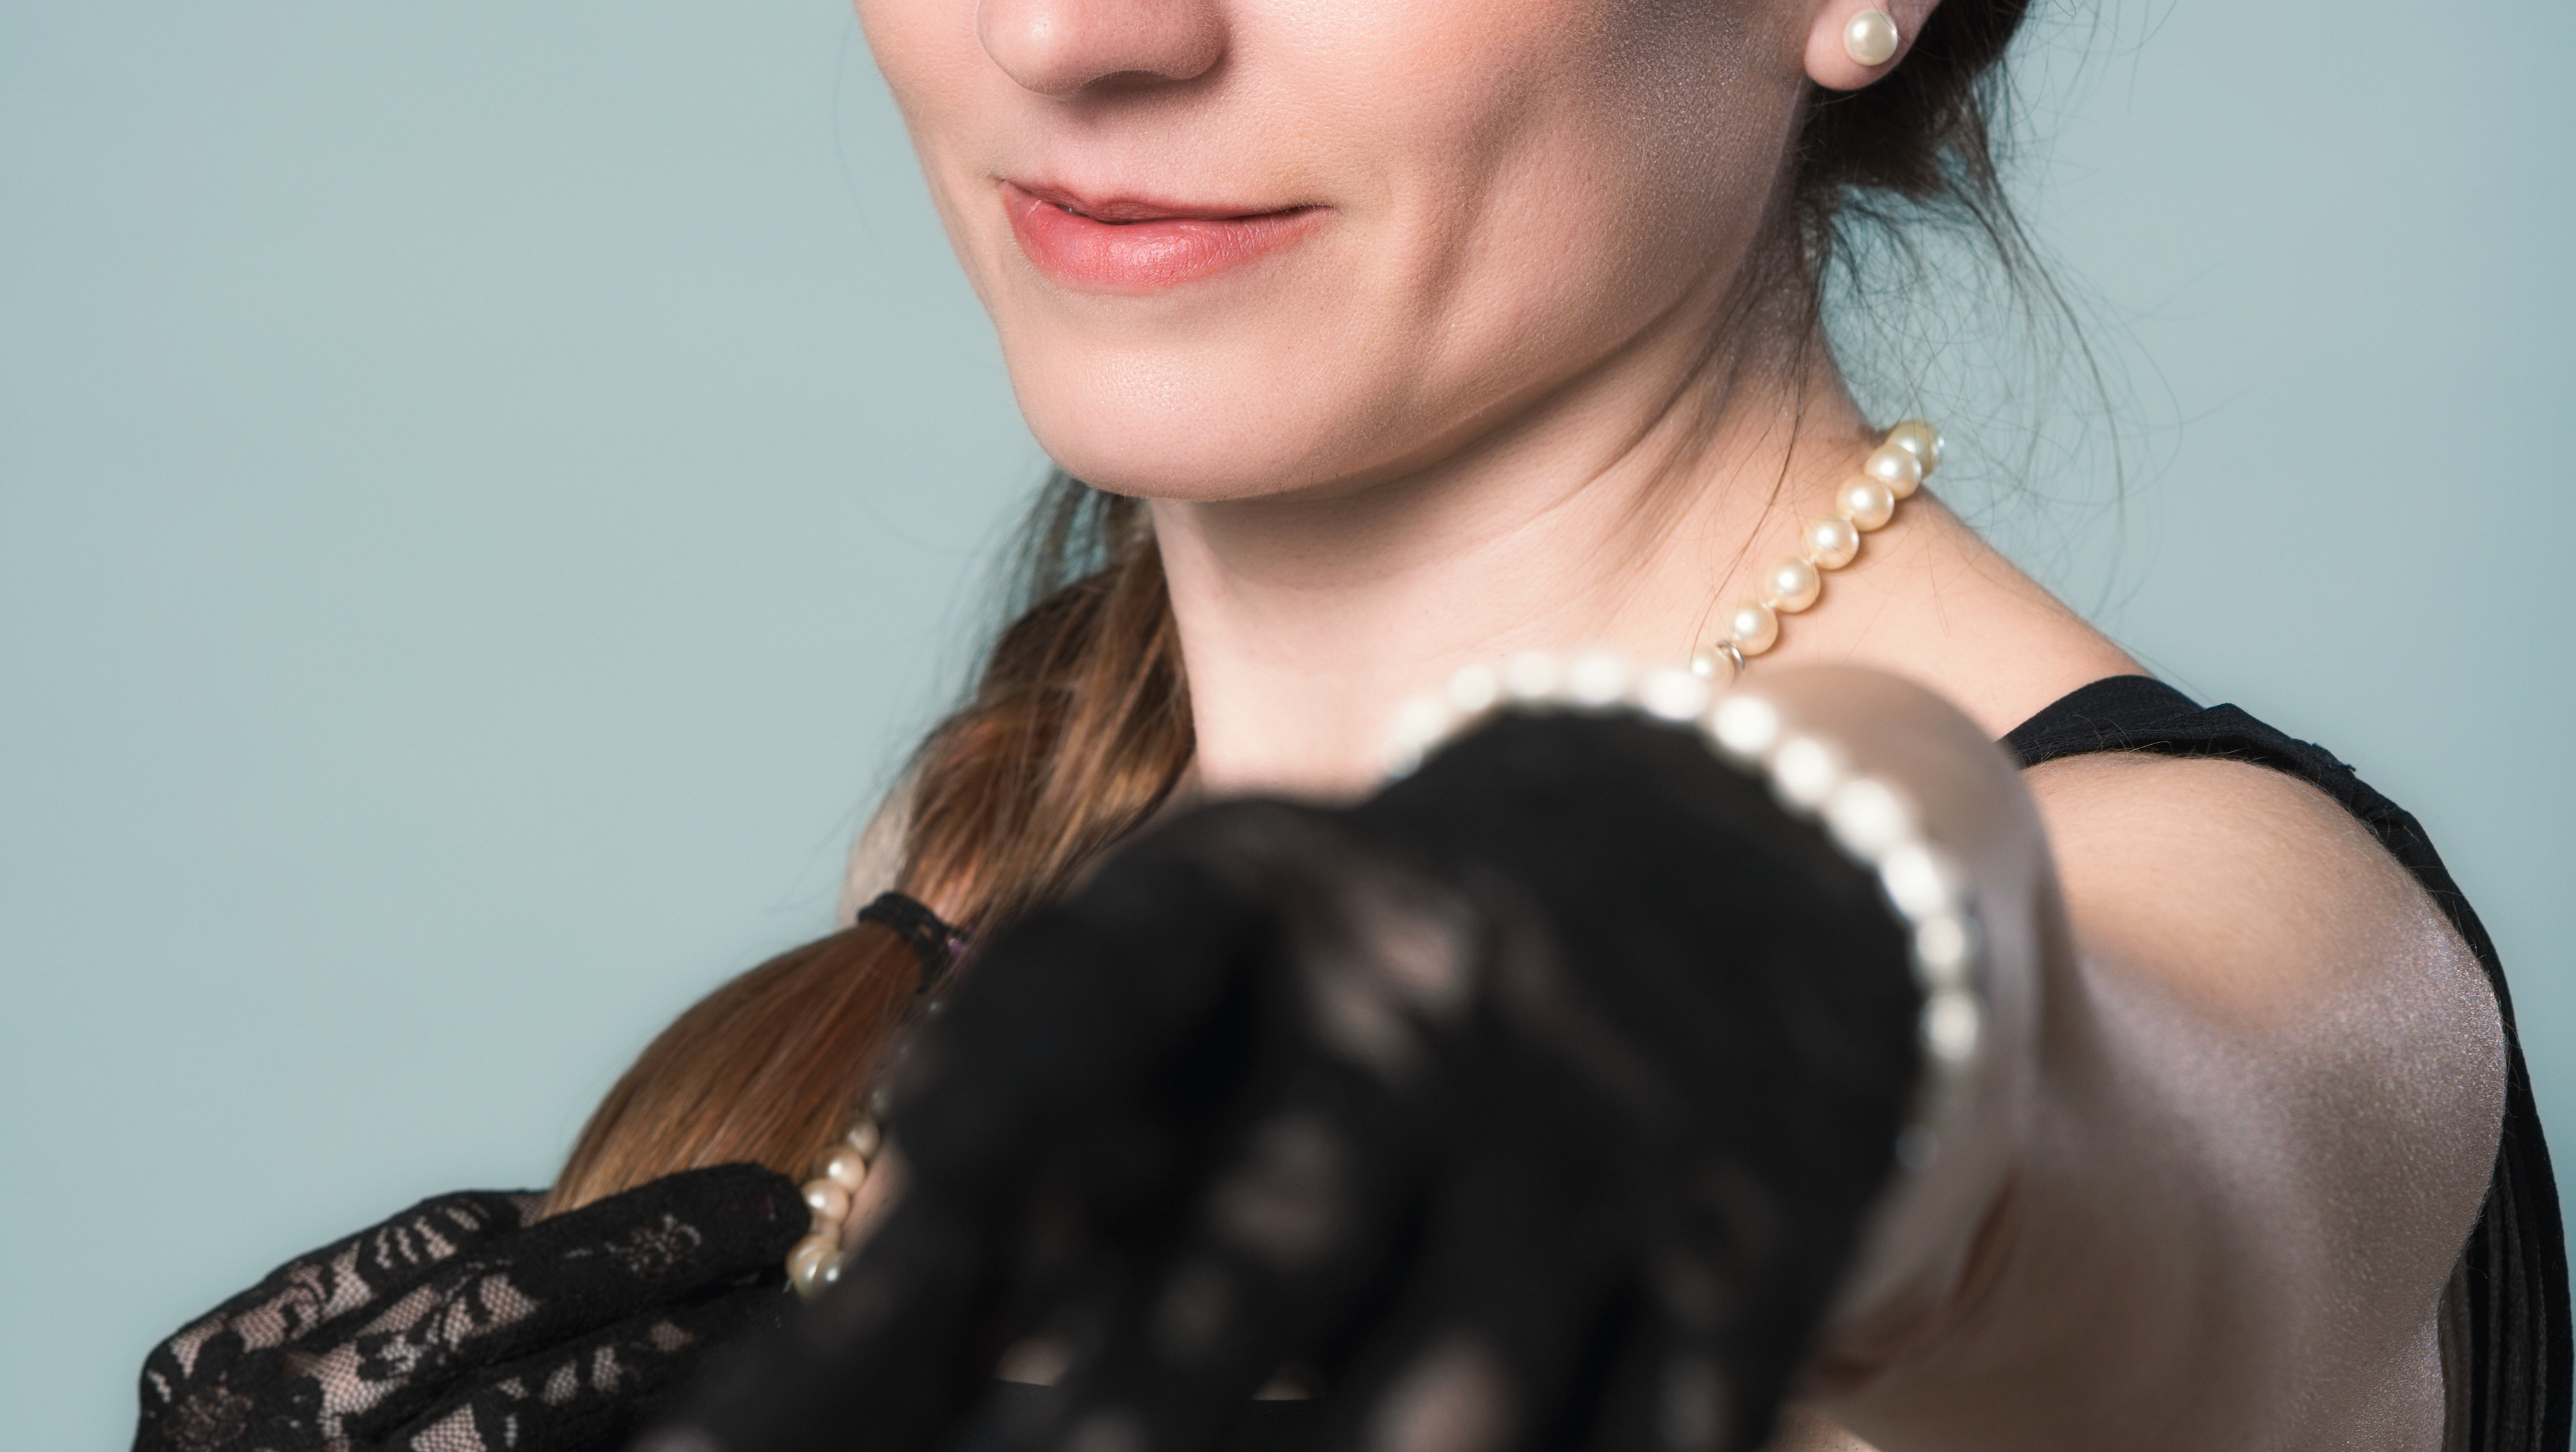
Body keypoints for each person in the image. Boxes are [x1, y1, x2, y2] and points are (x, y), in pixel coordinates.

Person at [129, 0, 2566, 1449]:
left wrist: (1780, 957)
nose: (1077, 31)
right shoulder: (1007, 840)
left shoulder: (2266, 955)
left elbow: (2066, 1099)